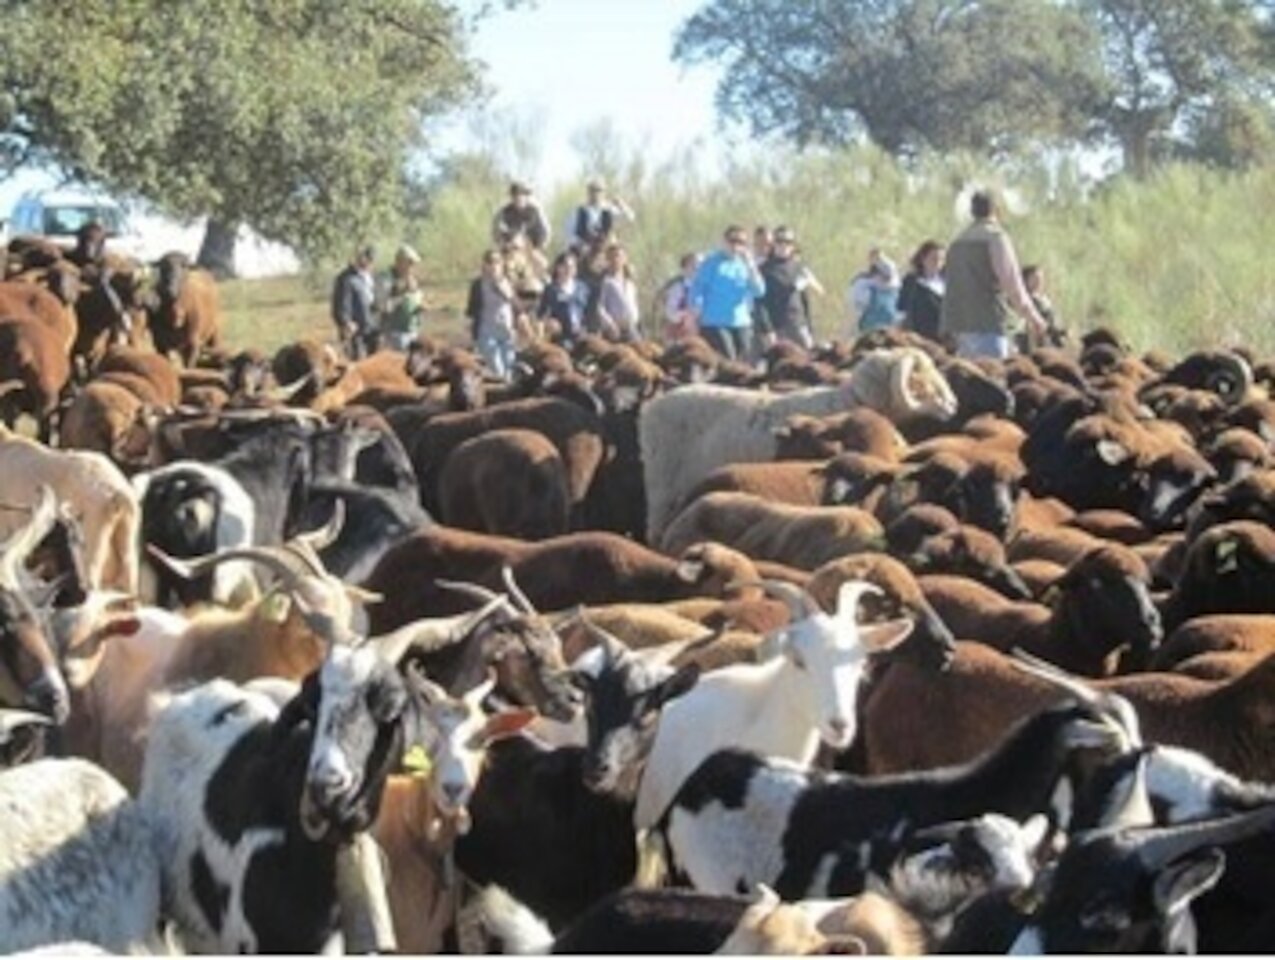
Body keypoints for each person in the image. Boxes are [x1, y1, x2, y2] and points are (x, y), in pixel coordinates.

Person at [940, 190, 1047, 359]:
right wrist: (1034, 318)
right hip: (989, 324)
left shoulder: (957, 241)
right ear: (996, 210)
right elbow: (1012, 283)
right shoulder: (996, 238)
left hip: (959, 327)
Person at [688, 225, 766, 362]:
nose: (736, 246)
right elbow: (697, 289)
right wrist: (695, 311)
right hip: (715, 322)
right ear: (724, 242)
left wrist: (751, 267)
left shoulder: (746, 264)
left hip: (741, 321)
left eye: (741, 242)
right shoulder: (711, 262)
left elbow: (759, 291)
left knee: (746, 361)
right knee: (728, 360)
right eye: (732, 241)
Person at [759, 226, 823, 348]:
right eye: (779, 241)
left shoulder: (799, 267)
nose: (783, 246)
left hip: (799, 324)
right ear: (773, 244)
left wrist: (809, 327)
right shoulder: (765, 269)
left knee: (809, 357)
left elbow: (805, 300)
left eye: (788, 242)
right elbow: (761, 303)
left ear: (793, 246)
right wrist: (767, 329)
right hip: (777, 327)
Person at [465, 249, 518, 380]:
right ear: (484, 264)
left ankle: (507, 396)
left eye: (497, 262)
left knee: (509, 369)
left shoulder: (508, 281)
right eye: (490, 262)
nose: (494, 266)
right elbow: (471, 310)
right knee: (498, 370)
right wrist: (469, 334)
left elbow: (517, 306)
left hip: (507, 331)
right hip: (486, 332)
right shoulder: (478, 285)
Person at [375, 245, 425, 351]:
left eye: (413, 264)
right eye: (410, 263)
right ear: (400, 261)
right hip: (394, 333)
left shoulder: (412, 279)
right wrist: (403, 294)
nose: (412, 267)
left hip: (412, 331)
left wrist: (419, 306)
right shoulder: (386, 279)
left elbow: (417, 298)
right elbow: (383, 307)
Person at [492, 181, 551, 270]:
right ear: (511, 196)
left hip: (531, 248)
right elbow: (496, 233)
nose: (519, 197)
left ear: (527, 196)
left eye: (522, 194)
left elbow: (545, 232)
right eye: (515, 194)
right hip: (509, 249)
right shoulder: (503, 212)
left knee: (543, 265)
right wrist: (507, 244)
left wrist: (536, 247)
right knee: (495, 265)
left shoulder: (536, 211)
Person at [331, 244, 376, 358]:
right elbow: (340, 305)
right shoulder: (345, 278)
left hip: (370, 329)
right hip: (354, 333)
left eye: (371, 259)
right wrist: (346, 322)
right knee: (358, 365)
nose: (369, 262)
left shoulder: (368, 277)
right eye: (367, 258)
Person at [566, 180, 635, 253]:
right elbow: (569, 233)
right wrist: (581, 245)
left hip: (606, 250)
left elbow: (630, 218)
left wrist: (621, 205)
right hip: (583, 249)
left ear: (604, 192)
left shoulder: (609, 210)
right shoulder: (578, 211)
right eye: (593, 190)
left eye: (599, 190)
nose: (596, 193)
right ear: (588, 192)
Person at [537, 251, 590, 346]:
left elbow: (589, 311)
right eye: (565, 266)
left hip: (581, 333)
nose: (568, 270)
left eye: (572, 267)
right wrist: (548, 323)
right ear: (558, 268)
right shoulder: (551, 289)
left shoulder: (583, 288)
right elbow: (541, 314)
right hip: (560, 335)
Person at [897, 240, 945, 342]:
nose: (938, 263)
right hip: (919, 337)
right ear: (923, 259)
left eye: (941, 259)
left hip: (943, 336)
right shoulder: (912, 281)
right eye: (934, 259)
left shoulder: (947, 282)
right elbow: (902, 307)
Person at [847, 248, 902, 335]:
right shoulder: (863, 288)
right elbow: (853, 317)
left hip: (889, 335)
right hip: (866, 336)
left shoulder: (895, 291)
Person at [596, 242, 641, 341]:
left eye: (619, 256)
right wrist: (610, 325)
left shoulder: (630, 283)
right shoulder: (605, 282)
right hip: (614, 330)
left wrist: (636, 319)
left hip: (631, 328)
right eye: (612, 257)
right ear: (608, 260)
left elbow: (634, 304)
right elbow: (600, 307)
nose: (616, 260)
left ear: (625, 259)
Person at [656, 252, 701, 343]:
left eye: (699, 265)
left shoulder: (704, 287)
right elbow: (670, 312)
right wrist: (685, 315)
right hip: (679, 333)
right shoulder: (677, 287)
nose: (696, 268)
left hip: (699, 332)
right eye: (692, 265)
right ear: (684, 268)